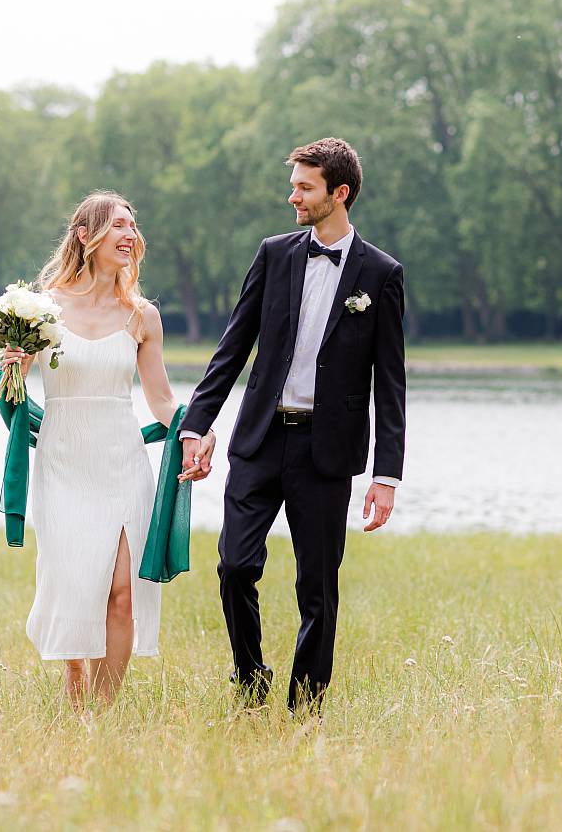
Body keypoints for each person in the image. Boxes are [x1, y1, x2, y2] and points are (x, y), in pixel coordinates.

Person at [178, 137, 406, 714]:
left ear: (340, 193)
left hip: (326, 452)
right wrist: (196, 425)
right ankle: (250, 677)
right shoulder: (274, 254)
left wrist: (386, 476)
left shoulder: (381, 274)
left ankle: (306, 707)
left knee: (318, 587)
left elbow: (390, 383)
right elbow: (232, 348)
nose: (293, 197)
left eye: (305, 187)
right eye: (294, 186)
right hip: (260, 439)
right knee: (235, 566)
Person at [0, 190, 215, 707]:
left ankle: (100, 715)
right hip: (63, 462)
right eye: (118, 225)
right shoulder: (42, 310)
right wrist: (13, 366)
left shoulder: (142, 316)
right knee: (78, 587)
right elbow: (14, 392)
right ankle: (76, 686)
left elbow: (161, 400)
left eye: (132, 226)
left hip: (121, 462)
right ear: (85, 235)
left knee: (121, 593)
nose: (129, 234)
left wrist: (195, 430)